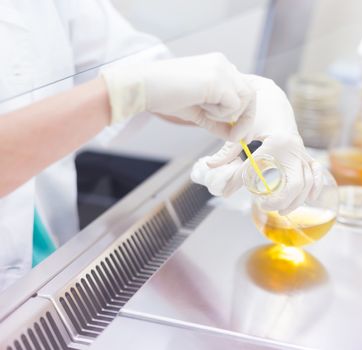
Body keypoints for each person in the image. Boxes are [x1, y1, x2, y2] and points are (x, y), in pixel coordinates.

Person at [0, 0, 321, 291]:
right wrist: (124, 93)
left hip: (48, 271)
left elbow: (136, 65)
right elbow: (134, 85)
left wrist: (252, 96)